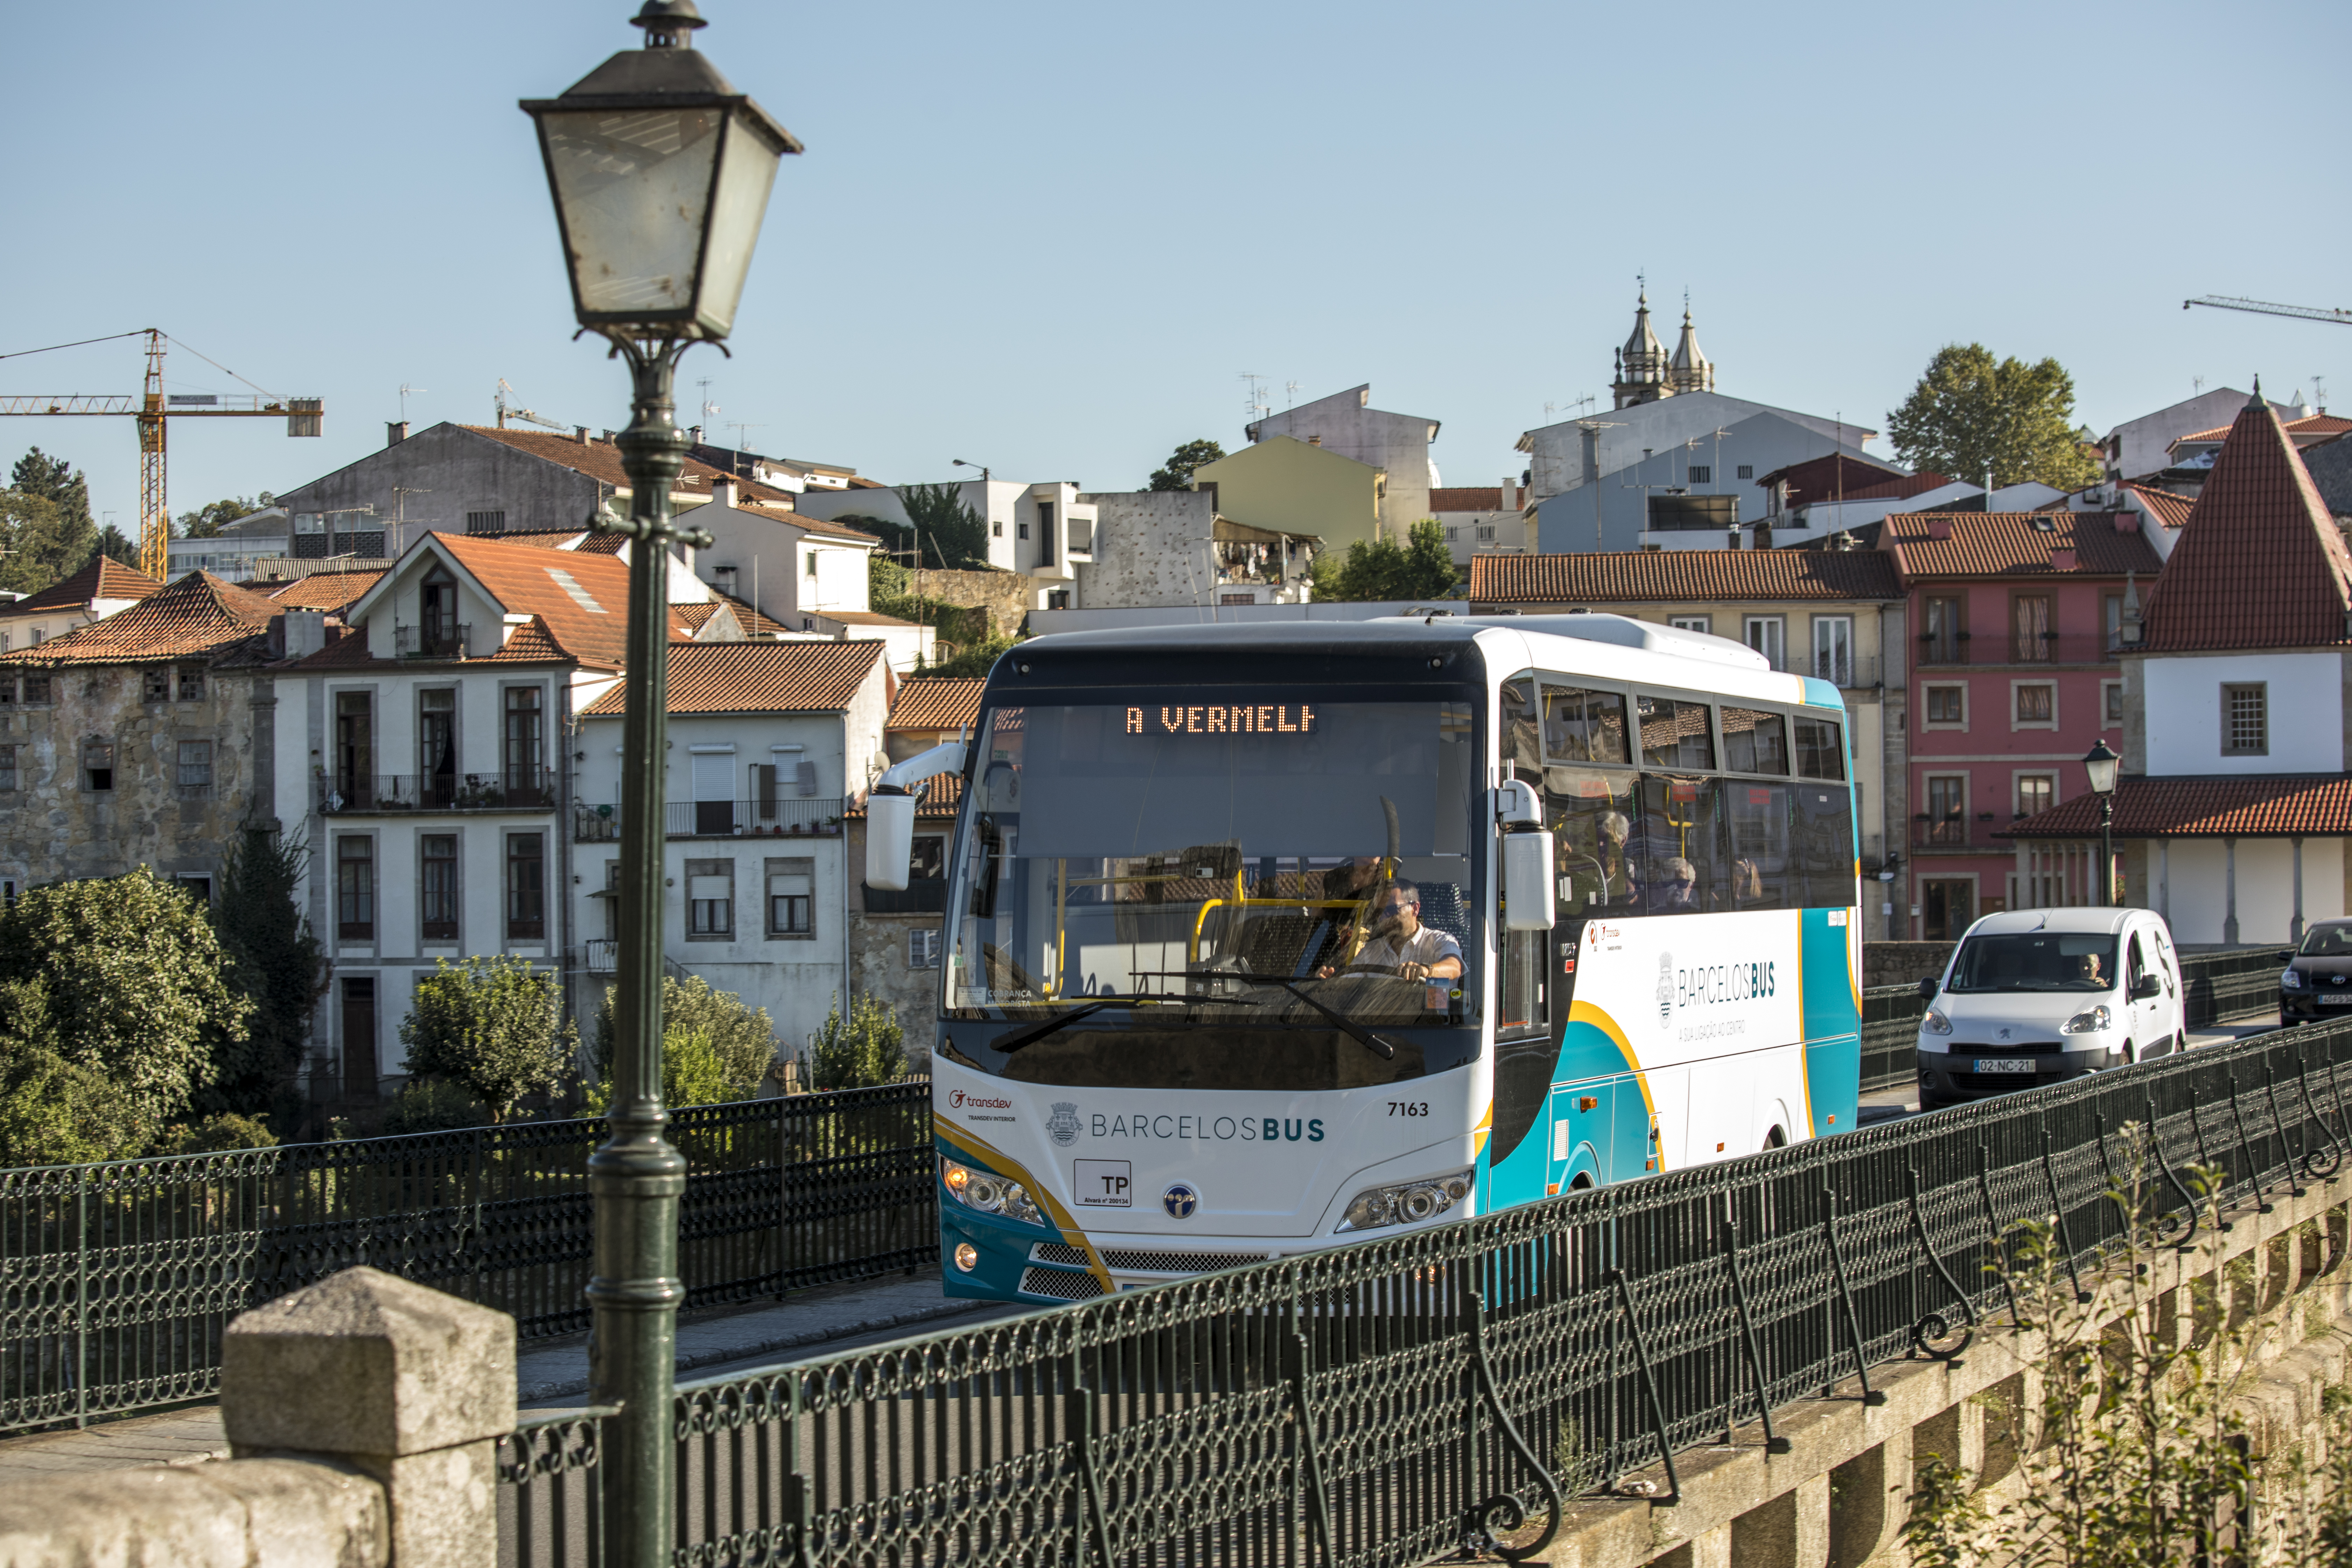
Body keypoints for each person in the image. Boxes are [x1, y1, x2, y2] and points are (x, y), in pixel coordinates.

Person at [1318, 881, 1463, 982]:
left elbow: (1455, 967)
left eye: (1392, 910)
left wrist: (1426, 971)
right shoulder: (1370, 952)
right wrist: (1327, 983)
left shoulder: (1440, 941)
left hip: (1433, 1025)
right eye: (1380, 912)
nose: (1384, 917)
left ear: (1415, 909)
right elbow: (1348, 987)